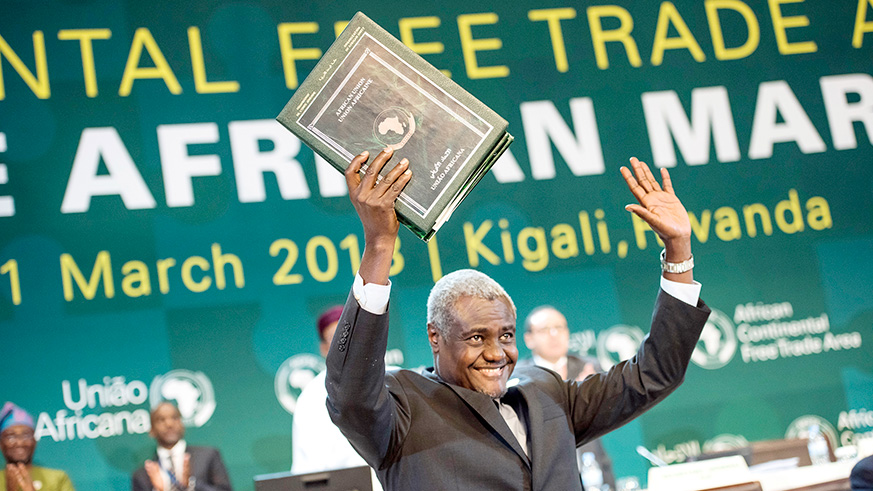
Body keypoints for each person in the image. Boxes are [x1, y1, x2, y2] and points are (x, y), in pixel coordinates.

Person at [325, 148, 710, 490]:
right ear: (436, 337)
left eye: (506, 335)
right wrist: (378, 245)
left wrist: (678, 250)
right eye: (476, 338)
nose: (497, 353)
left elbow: (653, 373)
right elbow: (351, 395)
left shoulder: (545, 390)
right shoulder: (403, 407)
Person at [518, 307, 616, 490]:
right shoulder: (519, 378)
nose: (554, 334)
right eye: (545, 330)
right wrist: (576, 398)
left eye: (559, 327)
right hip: (548, 476)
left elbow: (607, 416)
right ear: (529, 339)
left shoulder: (589, 367)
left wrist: (589, 393)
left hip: (593, 469)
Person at [291, 305, 376, 475]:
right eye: (335, 338)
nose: (345, 344)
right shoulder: (311, 398)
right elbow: (307, 470)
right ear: (323, 348)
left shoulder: (391, 378)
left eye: (350, 334)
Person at [132, 402, 231, 491]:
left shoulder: (208, 456)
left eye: (174, 418)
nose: (169, 424)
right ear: (151, 430)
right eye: (161, 420)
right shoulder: (142, 476)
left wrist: (191, 485)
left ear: (182, 424)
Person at [0, 402, 75, 491]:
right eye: (10, 436)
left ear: (34, 440)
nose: (19, 442)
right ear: (1, 443)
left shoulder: (58, 479)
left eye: (26, 435)